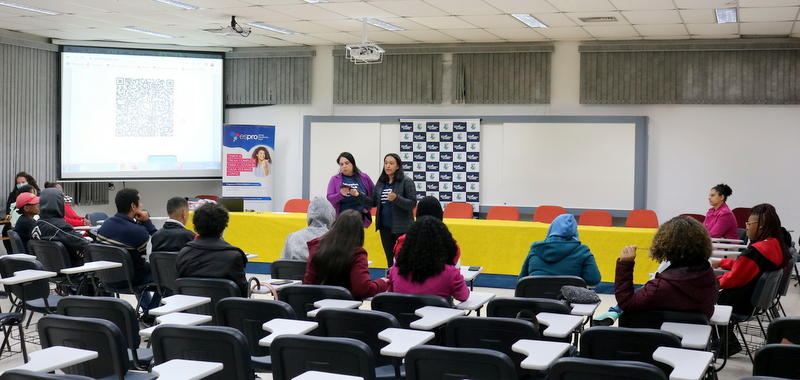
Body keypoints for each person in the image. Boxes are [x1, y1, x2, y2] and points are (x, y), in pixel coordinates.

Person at [614, 216, 718, 318]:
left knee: (626, 316)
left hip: (664, 333)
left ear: (665, 245)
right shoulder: (707, 273)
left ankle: (612, 312)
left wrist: (625, 264)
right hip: (699, 330)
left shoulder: (659, 287)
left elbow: (627, 303)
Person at [96, 188, 160, 319]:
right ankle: (152, 312)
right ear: (133, 206)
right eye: (140, 202)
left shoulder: (105, 225)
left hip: (106, 279)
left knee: (135, 264)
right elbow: (159, 245)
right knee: (165, 275)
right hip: (129, 280)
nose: (142, 206)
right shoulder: (138, 232)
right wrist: (147, 223)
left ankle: (148, 311)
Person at [716, 203, 790, 314]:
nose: (746, 227)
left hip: (735, 303)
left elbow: (732, 279)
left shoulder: (756, 252)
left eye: (749, 223)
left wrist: (710, 282)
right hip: (754, 303)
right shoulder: (775, 247)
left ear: (760, 225)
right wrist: (721, 262)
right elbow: (745, 267)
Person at [303, 209, 387, 299]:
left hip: (315, 305)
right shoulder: (357, 254)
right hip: (345, 308)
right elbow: (363, 289)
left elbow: (308, 284)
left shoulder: (318, 248)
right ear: (359, 232)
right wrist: (382, 282)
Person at [389, 216, 469, 302]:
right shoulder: (450, 273)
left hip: (401, 315)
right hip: (439, 315)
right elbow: (463, 296)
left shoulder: (395, 270)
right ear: (445, 244)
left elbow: (390, 295)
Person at [176, 202, 249, 297]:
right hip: (224, 310)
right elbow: (243, 293)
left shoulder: (183, 253)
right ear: (224, 225)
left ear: (195, 225)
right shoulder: (233, 256)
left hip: (192, 310)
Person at [357, 153, 417, 267]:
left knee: (403, 259)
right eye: (386, 163)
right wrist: (358, 195)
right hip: (385, 227)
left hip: (402, 227)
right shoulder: (381, 183)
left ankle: (403, 282)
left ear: (398, 166)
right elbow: (373, 202)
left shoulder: (406, 182)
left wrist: (396, 198)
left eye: (391, 163)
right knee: (389, 258)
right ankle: (391, 281)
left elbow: (412, 204)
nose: (388, 166)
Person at [518, 213, 601, 286]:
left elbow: (521, 280)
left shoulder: (535, 248)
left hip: (535, 301)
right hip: (567, 302)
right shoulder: (583, 251)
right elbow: (593, 280)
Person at [392, 196, 461, 266]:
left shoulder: (401, 245)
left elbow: (397, 271)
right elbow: (455, 271)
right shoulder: (452, 247)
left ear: (418, 215)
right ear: (440, 216)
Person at [30, 188, 88, 267]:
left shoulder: (36, 225)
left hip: (48, 271)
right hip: (72, 271)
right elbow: (84, 244)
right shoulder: (60, 226)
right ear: (58, 204)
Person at [326, 152, 374, 227]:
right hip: (342, 217)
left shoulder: (364, 177)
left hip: (359, 217)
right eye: (341, 164)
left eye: (347, 163)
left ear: (353, 164)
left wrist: (367, 208)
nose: (344, 166)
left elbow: (374, 196)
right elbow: (330, 198)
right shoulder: (334, 179)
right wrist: (340, 195)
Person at [280, 196, 335, 260]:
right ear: (331, 215)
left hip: (297, 270)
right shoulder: (336, 240)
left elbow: (283, 264)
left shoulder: (292, 237)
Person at [4, 172, 40, 252]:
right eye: (35, 203)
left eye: (23, 182)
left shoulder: (26, 220)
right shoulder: (29, 224)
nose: (38, 205)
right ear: (26, 208)